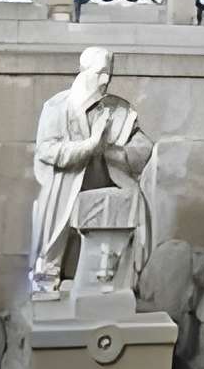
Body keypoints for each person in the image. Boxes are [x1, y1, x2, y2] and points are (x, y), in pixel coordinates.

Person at [31, 48, 153, 295]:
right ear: (83, 71)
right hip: (66, 188)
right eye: (99, 73)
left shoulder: (119, 109)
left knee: (131, 213)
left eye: (108, 73)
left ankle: (115, 281)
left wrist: (108, 150)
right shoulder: (57, 107)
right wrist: (88, 146)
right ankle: (48, 278)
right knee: (57, 234)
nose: (105, 80)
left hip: (110, 188)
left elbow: (143, 146)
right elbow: (47, 150)